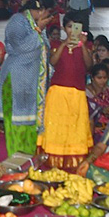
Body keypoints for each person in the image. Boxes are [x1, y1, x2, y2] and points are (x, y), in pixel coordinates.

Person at [1, 0, 55, 157]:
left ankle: (27, 161)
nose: (49, 15)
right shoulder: (18, 21)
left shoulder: (36, 24)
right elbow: (21, 47)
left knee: (30, 122)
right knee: (17, 123)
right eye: (49, 11)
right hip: (17, 78)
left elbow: (44, 49)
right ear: (41, 9)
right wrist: (39, 28)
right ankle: (15, 163)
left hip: (31, 81)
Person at [38, 18, 94, 171]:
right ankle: (52, 157)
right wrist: (64, 44)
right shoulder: (56, 44)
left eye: (74, 26)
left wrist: (82, 46)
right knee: (56, 125)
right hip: (58, 92)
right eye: (69, 27)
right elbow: (53, 62)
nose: (72, 30)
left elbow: (89, 65)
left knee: (75, 126)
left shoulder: (85, 46)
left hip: (77, 92)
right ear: (64, 28)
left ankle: (75, 158)